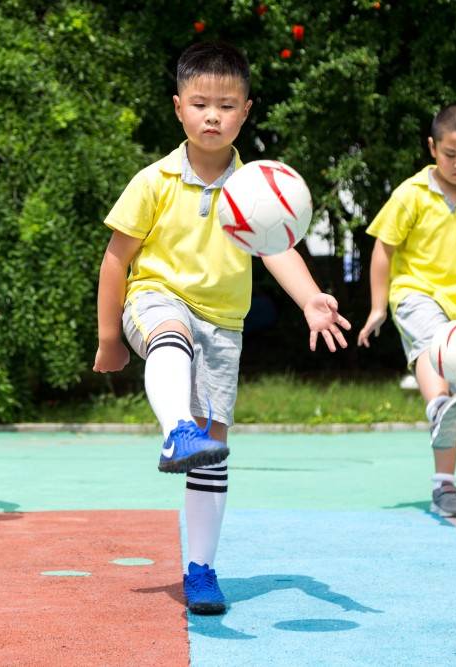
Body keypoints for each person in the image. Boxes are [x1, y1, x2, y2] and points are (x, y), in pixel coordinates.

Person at [93, 41, 351, 615]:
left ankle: (201, 569)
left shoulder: (254, 186)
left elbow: (276, 248)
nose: (213, 115)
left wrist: (310, 299)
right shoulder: (154, 180)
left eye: (227, 105)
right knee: (171, 334)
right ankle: (174, 429)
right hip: (156, 299)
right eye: (201, 103)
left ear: (247, 111)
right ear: (179, 107)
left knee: (214, 453)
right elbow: (116, 259)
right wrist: (110, 337)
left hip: (223, 326)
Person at [357, 103, 456, 518]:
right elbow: (383, 249)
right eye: (450, 155)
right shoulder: (411, 194)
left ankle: (444, 486)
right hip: (414, 293)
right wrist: (378, 307)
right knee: (433, 350)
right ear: (432, 147)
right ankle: (434, 407)